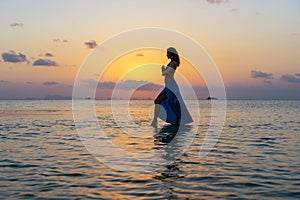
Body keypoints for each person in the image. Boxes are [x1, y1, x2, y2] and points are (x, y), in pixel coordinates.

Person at [151, 47, 193, 127]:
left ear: (171, 54)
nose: (166, 55)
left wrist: (163, 70)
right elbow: (165, 73)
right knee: (158, 101)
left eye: (168, 53)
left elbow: (166, 73)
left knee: (173, 104)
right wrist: (163, 70)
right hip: (168, 85)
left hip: (171, 86)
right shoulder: (170, 63)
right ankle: (155, 120)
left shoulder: (174, 63)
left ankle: (176, 121)